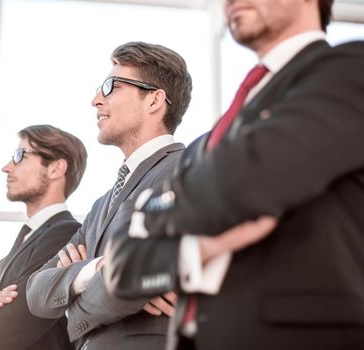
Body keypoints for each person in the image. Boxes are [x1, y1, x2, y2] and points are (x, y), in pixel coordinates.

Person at [104, 0, 364, 349]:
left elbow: (245, 180)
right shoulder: (208, 144)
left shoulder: (348, 70)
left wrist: (150, 208)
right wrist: (195, 250)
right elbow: (122, 266)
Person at [24, 41, 192, 350]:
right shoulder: (102, 204)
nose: (95, 100)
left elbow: (140, 275)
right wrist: (93, 269)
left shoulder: (187, 171)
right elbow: (35, 292)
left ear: (154, 100)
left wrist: (72, 311)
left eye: (110, 86)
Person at [0, 125, 87, 350]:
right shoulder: (21, 244)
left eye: (20, 155)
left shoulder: (66, 234)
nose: (6, 168)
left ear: (56, 168)